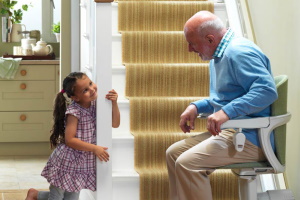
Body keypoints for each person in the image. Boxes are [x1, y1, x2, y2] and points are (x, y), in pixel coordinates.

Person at [166, 11, 278, 200]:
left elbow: (266, 91)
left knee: (188, 163)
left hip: (251, 138)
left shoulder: (239, 52)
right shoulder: (219, 56)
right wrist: (196, 107)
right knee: (174, 153)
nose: (189, 50)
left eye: (192, 43)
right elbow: (225, 99)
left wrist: (226, 112)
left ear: (210, 39)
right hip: (233, 132)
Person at [26, 72, 120, 200]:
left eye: (91, 84)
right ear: (76, 98)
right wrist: (94, 148)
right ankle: (35, 195)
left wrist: (114, 103)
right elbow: (69, 140)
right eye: (85, 90)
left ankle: (35, 195)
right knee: (57, 197)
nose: (92, 89)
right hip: (66, 161)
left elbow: (115, 124)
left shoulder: (97, 105)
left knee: (71, 198)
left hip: (80, 165)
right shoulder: (74, 112)